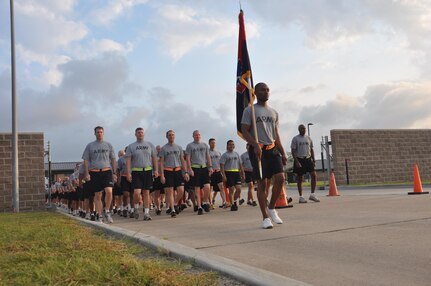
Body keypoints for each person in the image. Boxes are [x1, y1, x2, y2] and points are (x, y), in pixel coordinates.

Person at [241, 82, 288, 229]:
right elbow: (244, 130)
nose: (266, 92)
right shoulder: (250, 111)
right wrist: (254, 145)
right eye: (263, 90)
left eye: (268, 90)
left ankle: (272, 208)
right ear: (256, 92)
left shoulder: (274, 112)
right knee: (262, 184)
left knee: (280, 179)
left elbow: (276, 134)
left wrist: (283, 152)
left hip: (272, 149)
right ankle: (265, 217)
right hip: (258, 151)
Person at [82, 126, 117, 223]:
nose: (99, 134)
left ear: (103, 133)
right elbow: (85, 160)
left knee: (109, 191)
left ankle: (107, 211)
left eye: (101, 132)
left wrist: (114, 172)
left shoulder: (108, 145)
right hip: (95, 172)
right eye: (97, 132)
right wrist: (86, 173)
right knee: (97, 195)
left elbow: (113, 159)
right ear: (95, 133)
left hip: (106, 171)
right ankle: (100, 215)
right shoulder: (90, 145)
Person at [125, 127, 158, 221]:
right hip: (136, 171)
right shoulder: (131, 146)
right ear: (135, 134)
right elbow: (128, 160)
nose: (140, 134)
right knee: (137, 192)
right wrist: (128, 173)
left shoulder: (150, 145)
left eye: (142, 132)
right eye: (138, 132)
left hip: (148, 170)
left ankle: (146, 213)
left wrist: (156, 170)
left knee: (146, 192)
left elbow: (154, 158)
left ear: (144, 134)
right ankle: (135, 207)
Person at [159, 130, 189, 218]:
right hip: (168, 171)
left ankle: (175, 203)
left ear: (174, 136)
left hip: (178, 170)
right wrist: (162, 175)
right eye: (169, 135)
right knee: (170, 191)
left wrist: (186, 172)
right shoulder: (164, 148)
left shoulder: (179, 147)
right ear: (167, 137)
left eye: (172, 135)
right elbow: (161, 162)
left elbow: (182, 160)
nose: (171, 136)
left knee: (181, 190)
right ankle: (172, 210)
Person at [185, 130, 213, 215]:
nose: (198, 136)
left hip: (204, 168)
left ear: (200, 136)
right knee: (197, 189)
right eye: (196, 135)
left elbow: (208, 157)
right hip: (195, 168)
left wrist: (210, 167)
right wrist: (189, 169)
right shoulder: (190, 146)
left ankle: (204, 202)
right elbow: (188, 158)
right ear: (193, 136)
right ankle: (199, 206)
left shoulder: (204, 145)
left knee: (207, 187)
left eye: (199, 135)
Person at [291, 124, 320, 203]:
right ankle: (301, 197)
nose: (304, 130)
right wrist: (296, 161)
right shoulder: (295, 139)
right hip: (299, 159)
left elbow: (311, 149)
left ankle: (312, 194)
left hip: (308, 158)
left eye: (304, 129)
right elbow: (293, 151)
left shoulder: (308, 138)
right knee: (300, 178)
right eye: (302, 129)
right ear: (299, 130)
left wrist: (313, 160)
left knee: (314, 175)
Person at [220, 140, 244, 211]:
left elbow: (240, 164)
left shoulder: (236, 154)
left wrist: (243, 173)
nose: (231, 146)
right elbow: (222, 166)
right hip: (228, 173)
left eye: (233, 144)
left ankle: (235, 200)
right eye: (230, 144)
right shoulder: (225, 155)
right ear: (227, 146)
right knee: (231, 190)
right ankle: (232, 205)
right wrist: (223, 175)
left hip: (236, 173)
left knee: (239, 189)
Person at [208, 138, 227, 208]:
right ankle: (210, 204)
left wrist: (222, 172)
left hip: (218, 172)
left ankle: (224, 202)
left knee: (221, 187)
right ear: (209, 143)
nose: (213, 144)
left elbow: (221, 163)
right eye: (212, 143)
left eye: (214, 143)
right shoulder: (207, 152)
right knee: (210, 189)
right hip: (211, 172)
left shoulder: (218, 152)